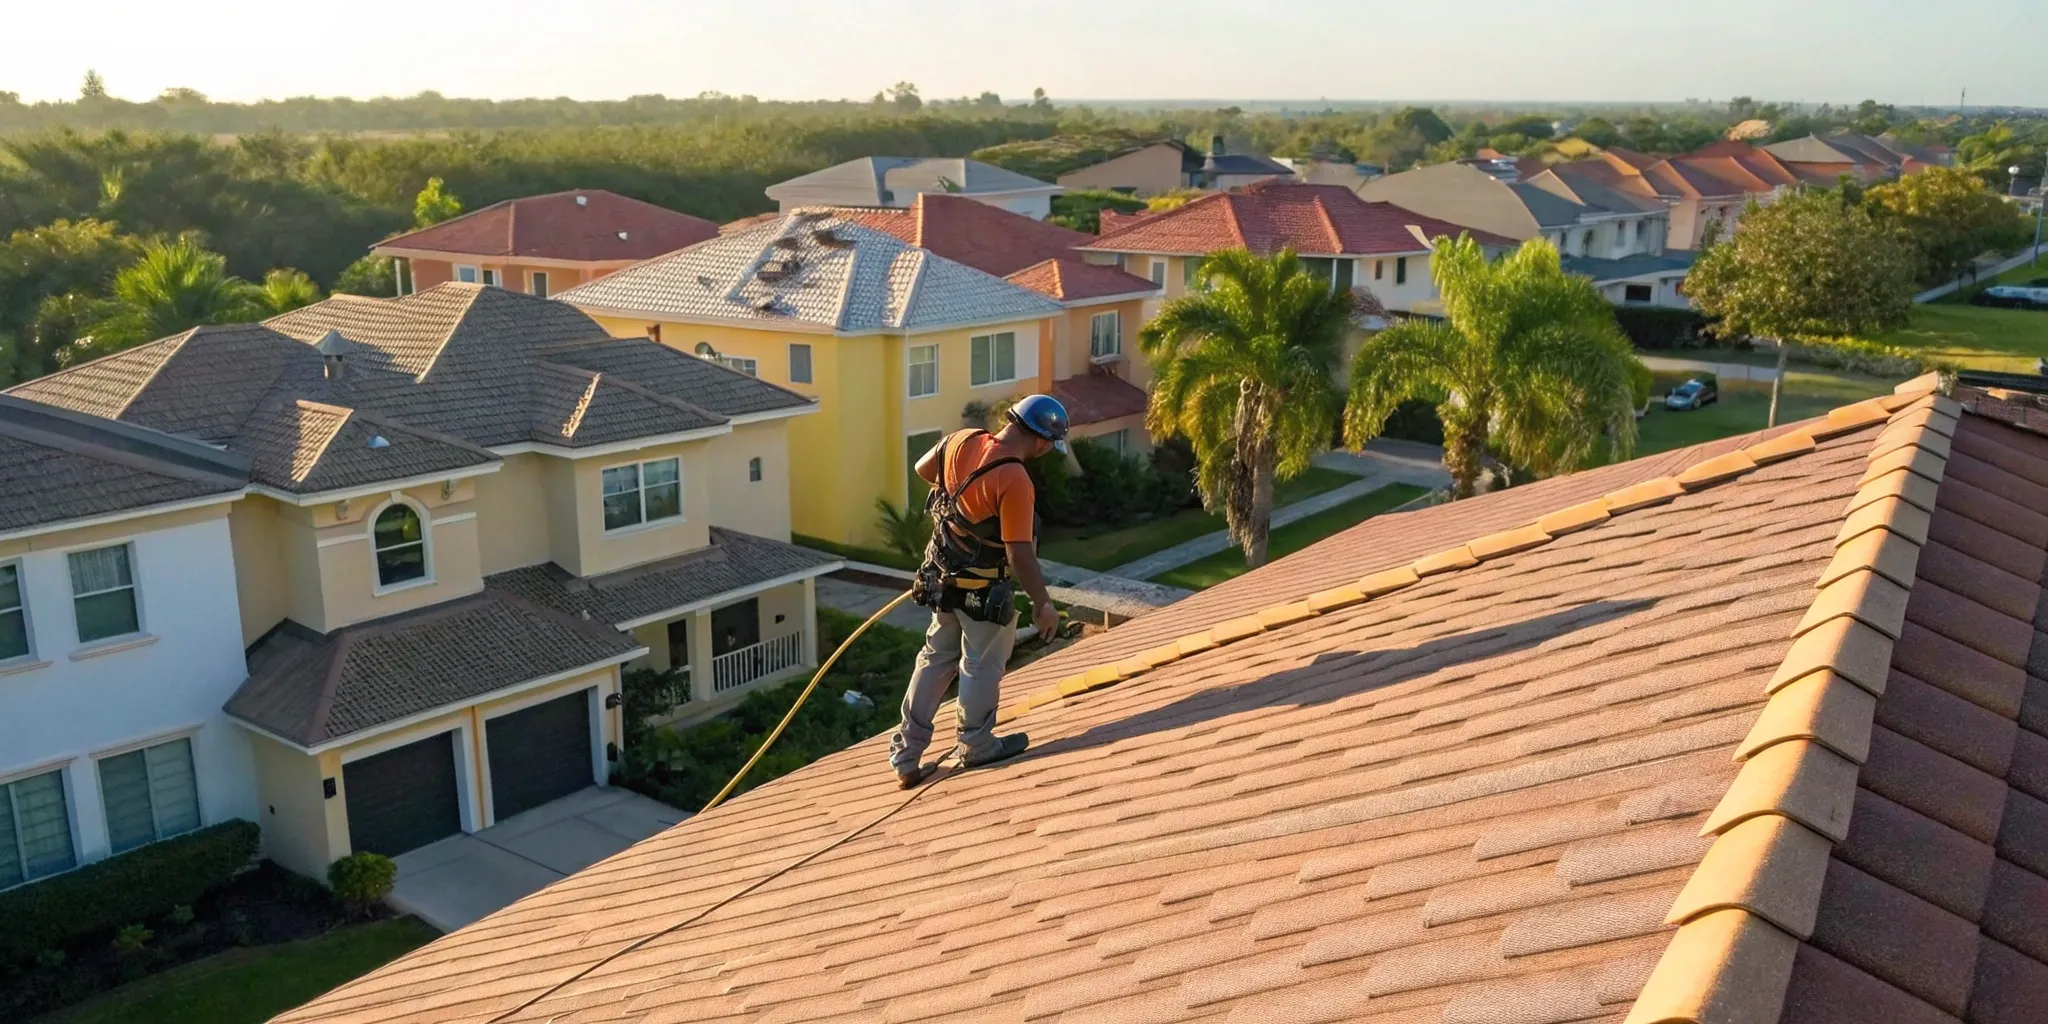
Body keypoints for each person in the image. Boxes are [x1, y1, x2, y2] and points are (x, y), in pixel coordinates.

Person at [888, 394, 1068, 789]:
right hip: (982, 590)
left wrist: (960, 497)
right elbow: (1018, 551)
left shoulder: (962, 439)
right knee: (981, 664)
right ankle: (977, 743)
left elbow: (923, 468)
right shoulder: (1015, 479)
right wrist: (1043, 604)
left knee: (934, 659)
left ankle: (906, 753)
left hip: (942, 578)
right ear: (1041, 441)